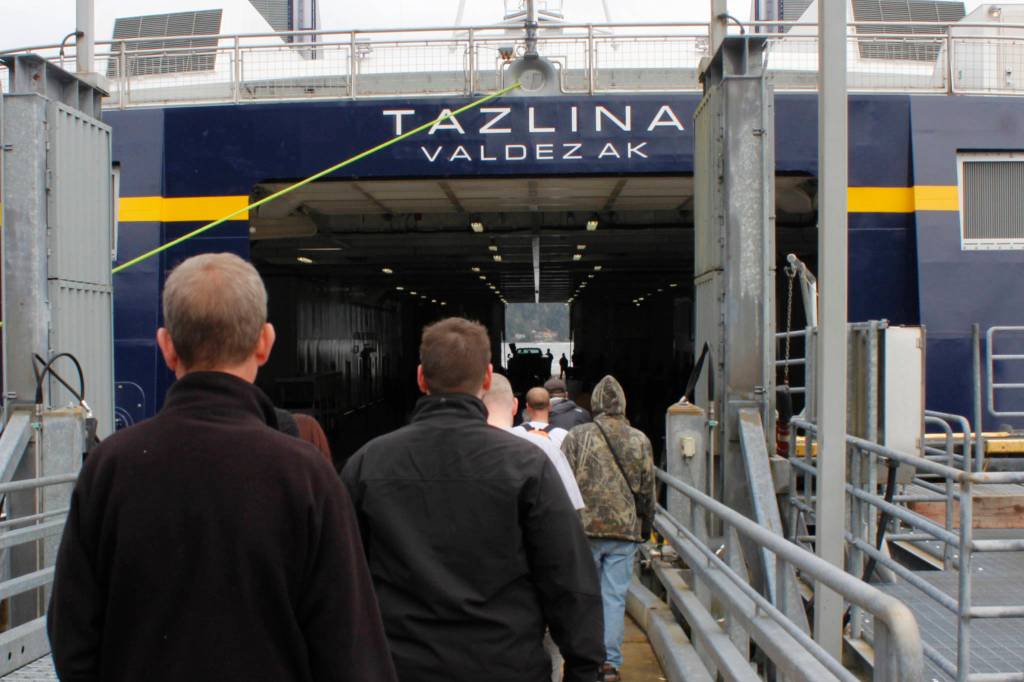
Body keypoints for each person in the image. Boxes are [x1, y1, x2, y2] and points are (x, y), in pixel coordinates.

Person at [47, 253, 396, 682]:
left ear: (166, 346)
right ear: (265, 343)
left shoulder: (110, 467)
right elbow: (351, 649)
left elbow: (72, 636)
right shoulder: (306, 475)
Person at [342, 318, 603, 682]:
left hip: (399, 667)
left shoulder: (367, 465)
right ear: (486, 378)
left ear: (421, 378)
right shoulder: (528, 466)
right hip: (507, 665)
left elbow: (341, 583)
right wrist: (584, 668)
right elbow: (569, 579)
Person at [561, 375, 655, 682]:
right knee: (613, 597)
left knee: (584, 596)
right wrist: (646, 526)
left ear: (597, 404)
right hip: (624, 530)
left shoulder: (576, 437)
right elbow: (646, 490)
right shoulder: (639, 439)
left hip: (584, 529)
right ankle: (610, 663)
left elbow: (562, 484)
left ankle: (582, 657)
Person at [483, 376, 583, 511]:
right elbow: (573, 504)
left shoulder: (498, 443)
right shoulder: (563, 437)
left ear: (527, 407)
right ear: (550, 406)